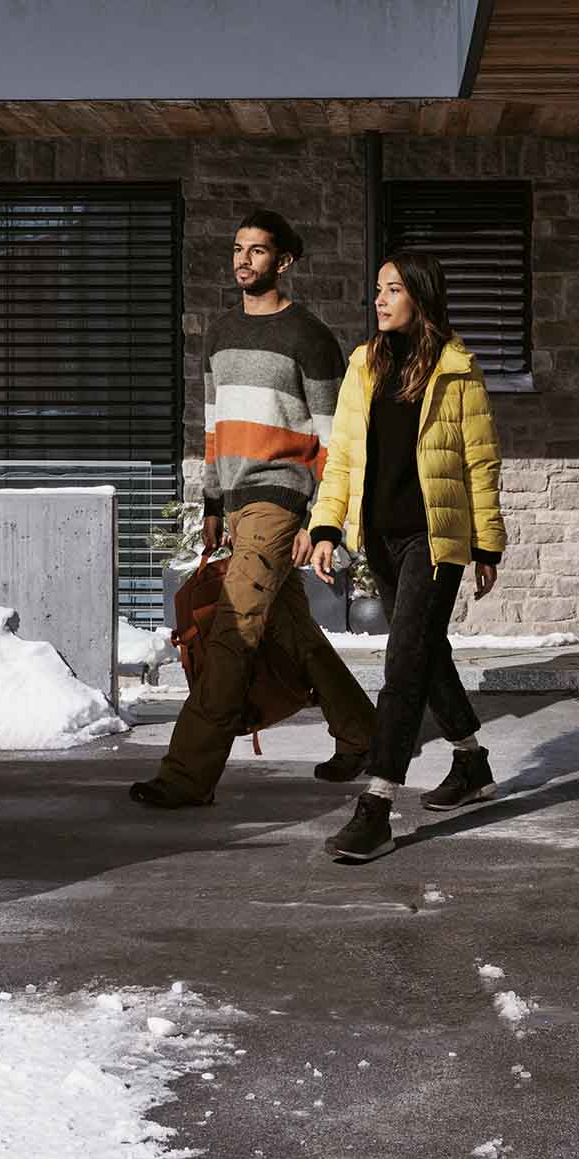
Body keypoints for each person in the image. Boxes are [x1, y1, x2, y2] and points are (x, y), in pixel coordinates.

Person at [128, 209, 380, 808]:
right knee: (294, 632)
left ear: (283, 262)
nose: (244, 260)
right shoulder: (218, 333)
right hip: (237, 504)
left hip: (281, 498)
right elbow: (214, 428)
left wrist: (320, 519)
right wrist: (211, 502)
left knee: (231, 634)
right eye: (238, 249)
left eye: (258, 251)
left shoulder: (309, 337)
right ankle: (365, 733)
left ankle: (187, 777)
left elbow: (335, 437)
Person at [306, 248, 507, 861]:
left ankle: (378, 803)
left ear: (420, 295)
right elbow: (341, 455)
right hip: (382, 536)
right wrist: (326, 527)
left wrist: (487, 542)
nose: (380, 299)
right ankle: (472, 762)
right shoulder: (363, 364)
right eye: (377, 289)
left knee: (403, 660)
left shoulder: (456, 368)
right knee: (425, 649)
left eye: (392, 289)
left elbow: (479, 459)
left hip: (437, 537)